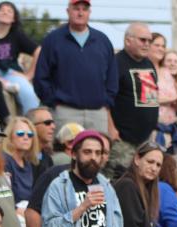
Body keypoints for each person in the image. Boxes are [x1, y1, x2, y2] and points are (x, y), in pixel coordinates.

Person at [34, 0, 117, 133]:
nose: (80, 12)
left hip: (97, 113)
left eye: (84, 9)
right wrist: (54, 102)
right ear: (68, 11)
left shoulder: (102, 40)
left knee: (97, 152)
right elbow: (41, 77)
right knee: (64, 152)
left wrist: (106, 101)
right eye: (76, 8)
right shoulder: (53, 40)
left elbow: (112, 77)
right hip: (65, 112)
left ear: (89, 12)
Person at [0, 1, 41, 115]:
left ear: (14, 18)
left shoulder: (17, 35)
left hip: (10, 73)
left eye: (9, 11)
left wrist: (29, 75)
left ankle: (32, 123)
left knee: (29, 93)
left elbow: (38, 51)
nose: (5, 12)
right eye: (2, 10)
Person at [110, 22, 159, 146]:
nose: (147, 44)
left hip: (147, 139)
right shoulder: (116, 63)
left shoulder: (149, 63)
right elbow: (106, 101)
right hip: (123, 140)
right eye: (143, 40)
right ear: (128, 41)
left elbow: (152, 99)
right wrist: (111, 128)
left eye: (149, 40)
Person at [155, 49, 177, 152]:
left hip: (173, 129)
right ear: (162, 63)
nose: (173, 64)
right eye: (169, 61)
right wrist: (174, 99)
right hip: (158, 127)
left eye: (176, 61)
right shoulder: (156, 79)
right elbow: (153, 99)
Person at [2, 115, 38, 204]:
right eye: (20, 133)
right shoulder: (4, 161)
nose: (26, 137)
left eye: (30, 134)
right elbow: (4, 197)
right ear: (10, 137)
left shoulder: (28, 164)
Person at [26, 105, 55, 177]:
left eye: (53, 123)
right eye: (47, 123)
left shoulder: (47, 158)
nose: (53, 127)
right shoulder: (21, 156)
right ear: (32, 126)